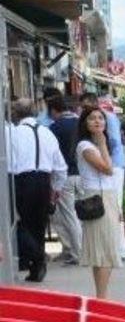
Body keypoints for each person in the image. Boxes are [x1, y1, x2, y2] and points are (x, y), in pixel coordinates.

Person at [9, 98, 67, 281]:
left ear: (15, 114)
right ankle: (36, 266)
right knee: (39, 224)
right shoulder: (47, 132)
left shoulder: (13, 133)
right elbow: (61, 167)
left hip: (21, 180)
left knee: (20, 223)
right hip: (43, 181)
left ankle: (36, 258)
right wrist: (55, 190)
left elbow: (8, 162)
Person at [75, 106, 122, 299]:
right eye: (92, 118)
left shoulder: (99, 144)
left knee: (105, 249)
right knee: (104, 250)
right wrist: (102, 145)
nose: (98, 121)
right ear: (85, 123)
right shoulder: (85, 146)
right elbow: (107, 169)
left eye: (101, 118)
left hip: (107, 196)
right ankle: (102, 298)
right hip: (97, 198)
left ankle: (101, 296)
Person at [48, 94, 82, 265]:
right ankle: (70, 249)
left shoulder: (54, 127)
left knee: (68, 216)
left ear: (54, 110)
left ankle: (77, 252)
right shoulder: (80, 123)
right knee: (78, 215)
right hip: (82, 174)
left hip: (65, 176)